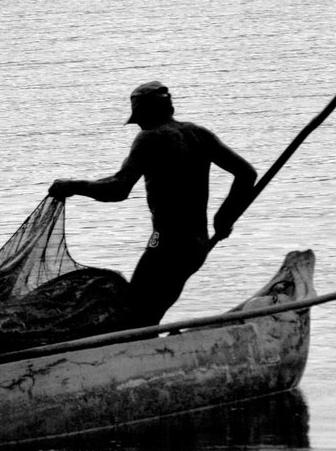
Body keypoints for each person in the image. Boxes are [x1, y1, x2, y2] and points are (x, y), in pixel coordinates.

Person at [48, 81, 257, 326]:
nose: (139, 124)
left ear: (146, 113)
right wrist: (224, 218)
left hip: (167, 246)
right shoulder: (198, 133)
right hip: (195, 245)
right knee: (149, 315)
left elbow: (118, 188)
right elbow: (246, 174)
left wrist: (73, 186)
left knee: (133, 315)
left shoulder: (150, 138)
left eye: (139, 119)